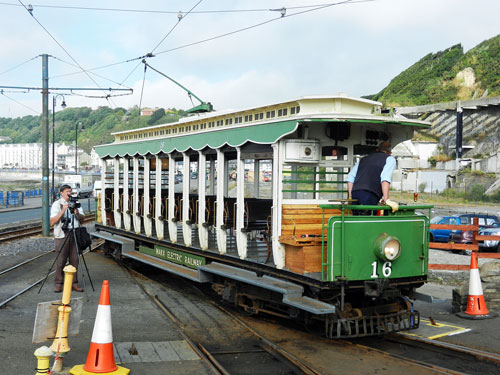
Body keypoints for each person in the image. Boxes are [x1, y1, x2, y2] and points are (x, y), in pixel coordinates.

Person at [50, 184, 85, 292]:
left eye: (70, 191)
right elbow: (52, 222)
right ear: (61, 193)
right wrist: (63, 210)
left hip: (74, 232)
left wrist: (77, 213)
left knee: (75, 260)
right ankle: (58, 283)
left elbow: (83, 219)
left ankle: (73, 283)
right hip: (62, 235)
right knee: (61, 260)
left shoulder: (76, 203)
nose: (69, 193)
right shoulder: (57, 204)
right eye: (67, 191)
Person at [346, 141, 396, 210]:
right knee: (368, 219)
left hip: (355, 193)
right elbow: (385, 178)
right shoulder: (390, 159)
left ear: (377, 150)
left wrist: (350, 197)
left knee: (356, 219)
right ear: (390, 153)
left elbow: (350, 178)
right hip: (370, 194)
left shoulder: (363, 159)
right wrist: (386, 199)